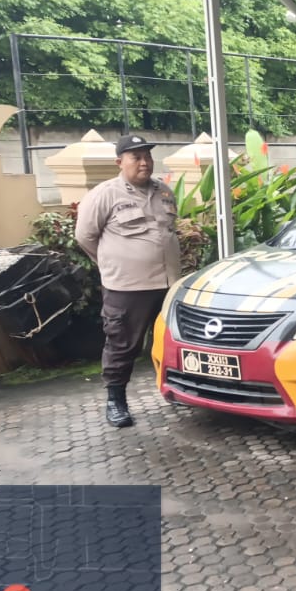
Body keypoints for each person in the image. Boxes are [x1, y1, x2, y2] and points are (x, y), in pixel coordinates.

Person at [75, 134, 181, 428]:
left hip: (168, 285)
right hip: (128, 287)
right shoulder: (104, 194)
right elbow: (84, 236)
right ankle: (116, 401)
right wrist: (113, 264)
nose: (144, 162)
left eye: (147, 156)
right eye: (136, 157)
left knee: (171, 342)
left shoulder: (164, 191)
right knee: (122, 345)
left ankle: (179, 392)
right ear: (119, 162)